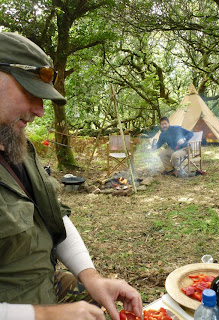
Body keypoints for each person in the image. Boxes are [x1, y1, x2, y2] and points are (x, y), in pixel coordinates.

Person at [0, 32, 142, 320]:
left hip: (44, 286)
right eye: (30, 93)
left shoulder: (17, 145)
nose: (40, 111)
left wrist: (91, 276)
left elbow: (53, 215)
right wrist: (44, 315)